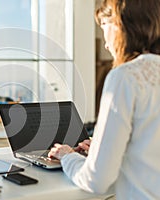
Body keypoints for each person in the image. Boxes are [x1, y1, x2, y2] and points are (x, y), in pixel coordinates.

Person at [48, 0, 160, 199]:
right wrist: (105, 149)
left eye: (104, 26)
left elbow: (95, 180)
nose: (106, 43)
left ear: (120, 25)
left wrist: (67, 156)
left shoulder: (127, 76)